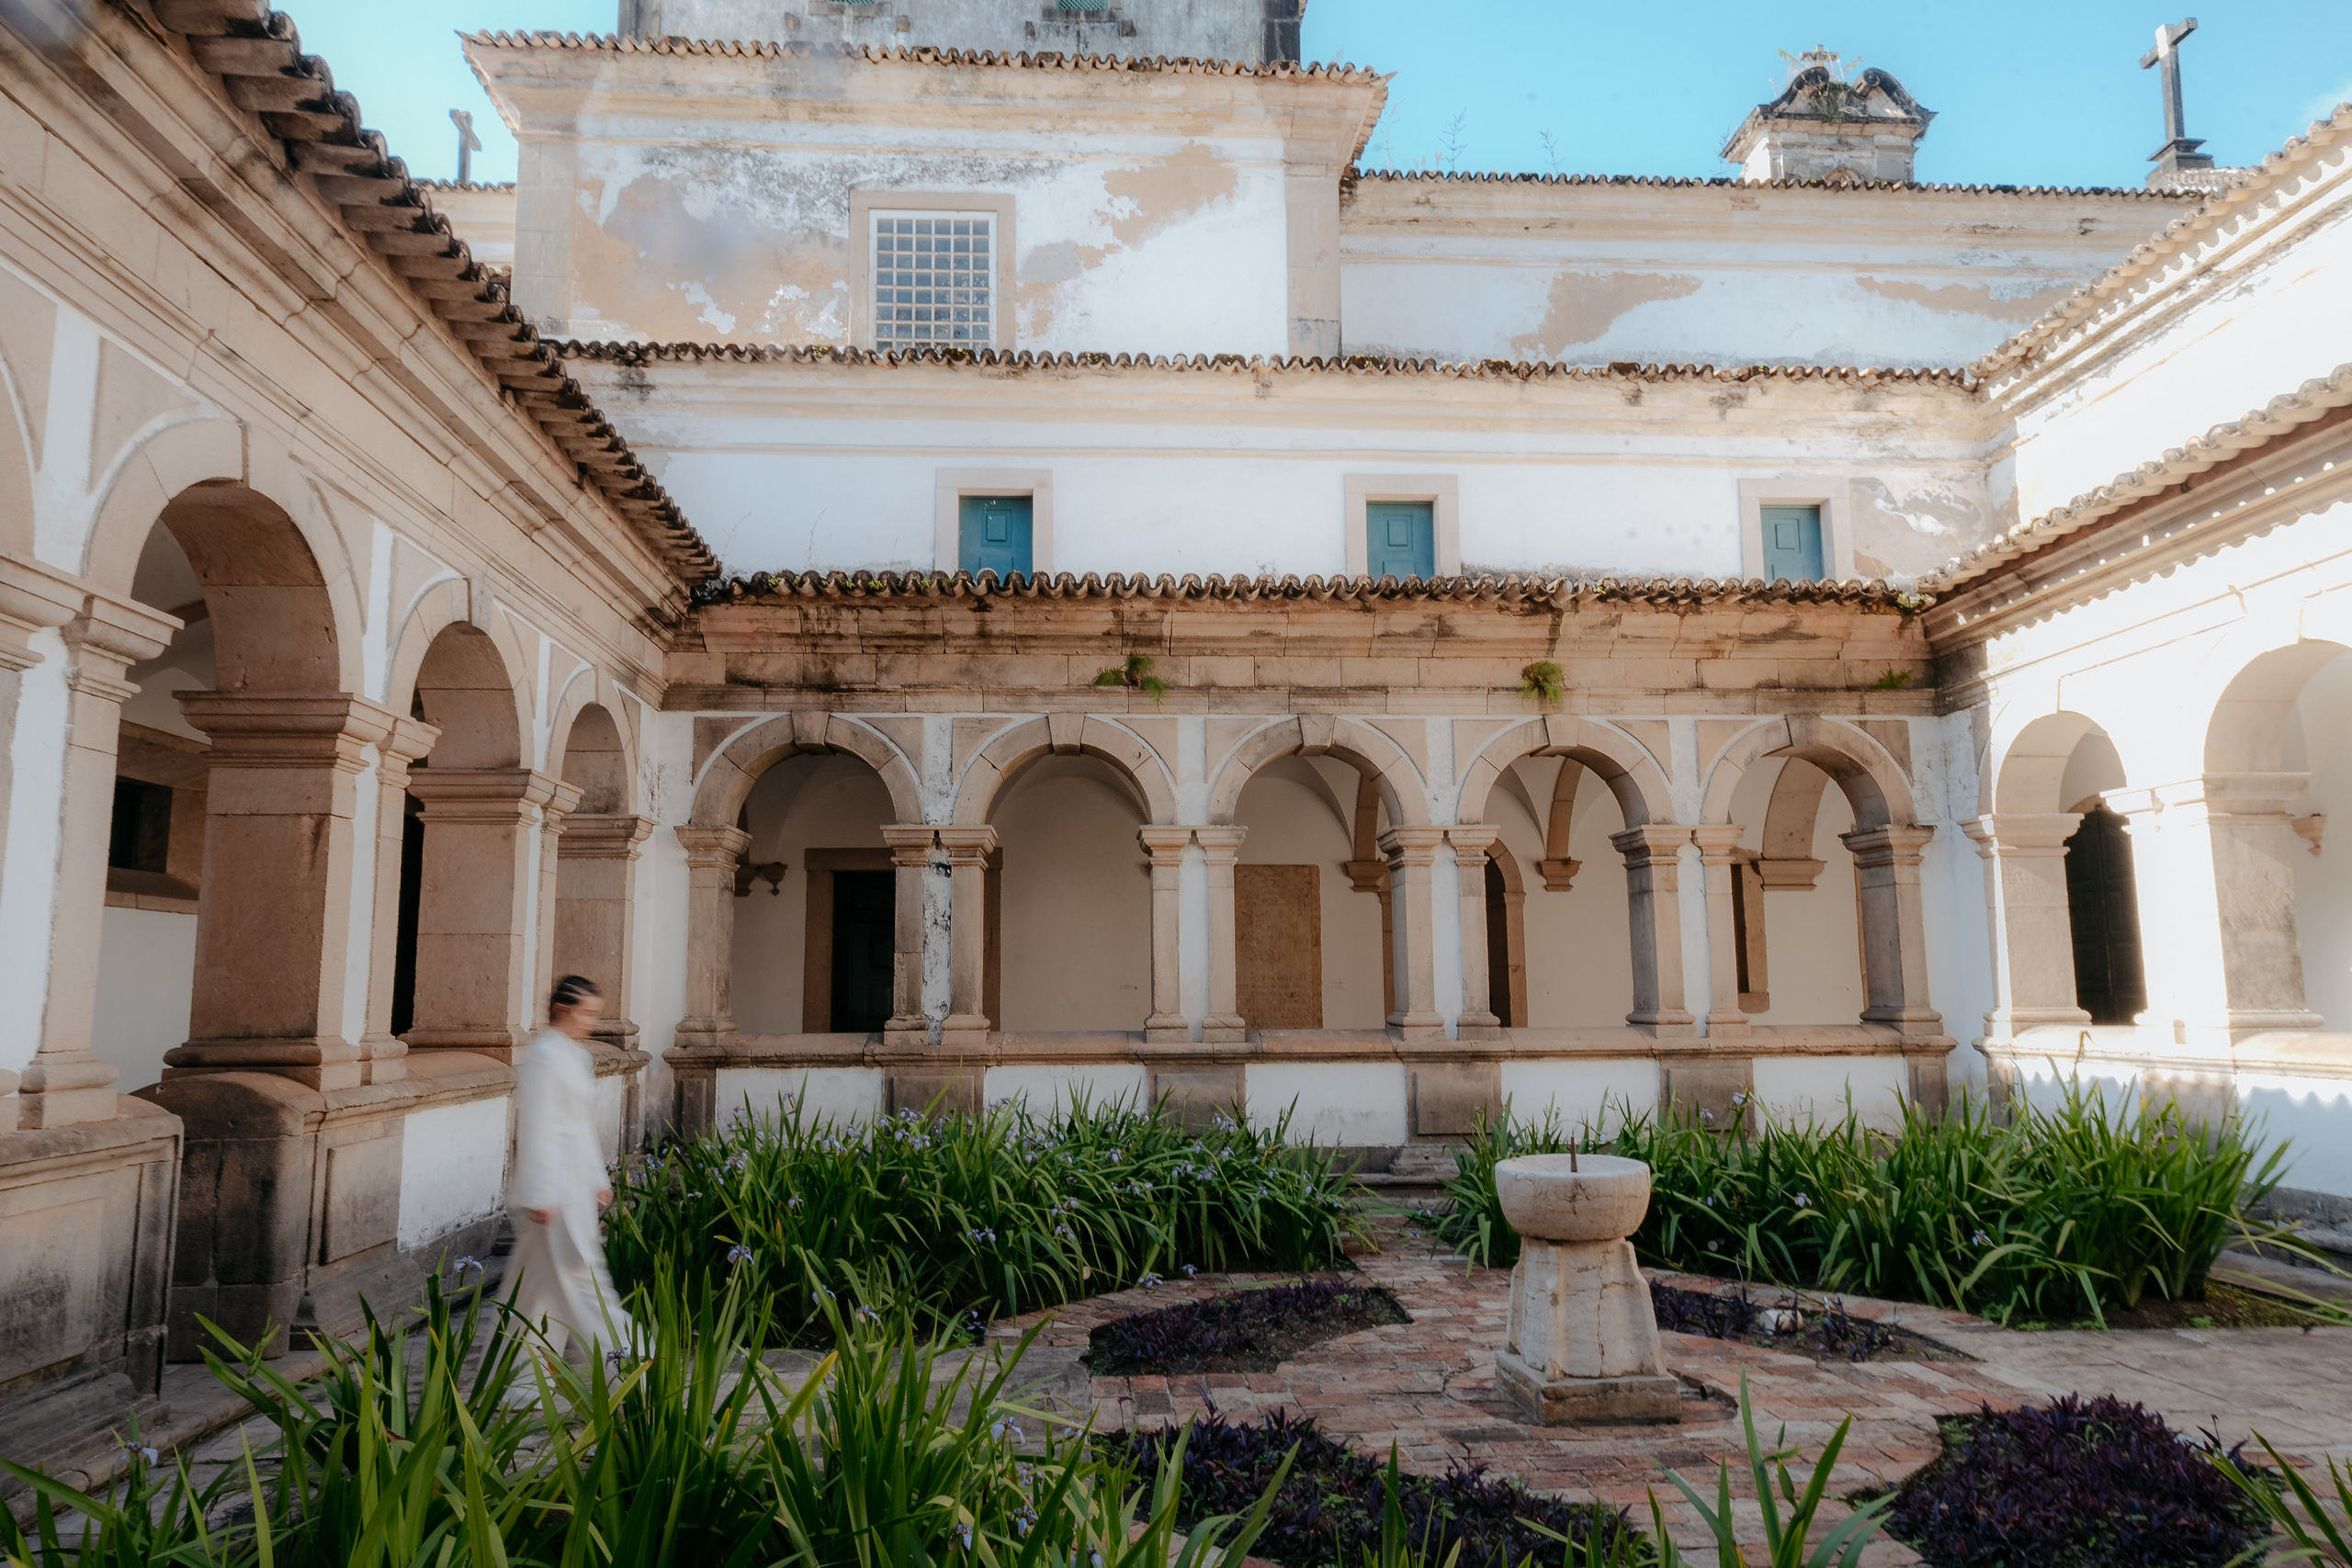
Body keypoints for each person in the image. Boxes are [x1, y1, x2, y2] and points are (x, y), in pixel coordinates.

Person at [505, 975, 634, 1360]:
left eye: (596, 1014)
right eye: (586, 1013)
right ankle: (630, 1360)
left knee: (536, 1291)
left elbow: (582, 1124)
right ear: (563, 1009)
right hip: (556, 1189)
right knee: (583, 1281)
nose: (591, 1022)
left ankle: (518, 1379)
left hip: (576, 1183)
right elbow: (539, 1126)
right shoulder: (544, 1055)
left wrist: (598, 1178)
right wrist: (540, 1193)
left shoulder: (576, 1056)